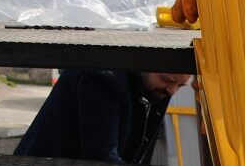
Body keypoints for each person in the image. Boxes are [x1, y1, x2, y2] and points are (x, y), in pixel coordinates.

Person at [14, 70, 191, 163]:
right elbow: (101, 157)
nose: (173, 91)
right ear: (147, 63)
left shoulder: (159, 88)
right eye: (167, 80)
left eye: (180, 86)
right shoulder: (102, 79)